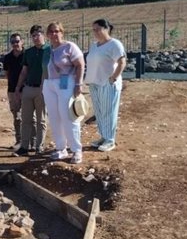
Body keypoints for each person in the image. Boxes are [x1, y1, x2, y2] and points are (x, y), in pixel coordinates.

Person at [43, 22, 85, 164]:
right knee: (54, 117)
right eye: (51, 32)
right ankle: (61, 148)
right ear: (48, 35)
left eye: (57, 31)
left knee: (68, 116)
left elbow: (80, 64)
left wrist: (79, 83)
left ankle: (76, 149)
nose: (54, 34)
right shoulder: (49, 49)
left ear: (62, 32)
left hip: (66, 82)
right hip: (50, 84)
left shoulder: (69, 46)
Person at [85, 18, 126, 152]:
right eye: (94, 30)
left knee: (109, 111)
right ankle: (103, 136)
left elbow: (122, 62)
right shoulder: (94, 45)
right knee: (99, 112)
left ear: (106, 29)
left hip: (107, 83)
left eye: (98, 29)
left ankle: (110, 140)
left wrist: (113, 78)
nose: (95, 32)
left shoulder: (114, 44)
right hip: (94, 82)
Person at [14, 25, 50, 155]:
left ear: (43, 35)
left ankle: (39, 147)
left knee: (41, 120)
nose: (35, 38)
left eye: (38, 35)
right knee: (26, 119)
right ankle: (24, 146)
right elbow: (24, 71)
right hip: (28, 88)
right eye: (33, 36)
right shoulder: (28, 52)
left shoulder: (50, 50)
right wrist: (18, 88)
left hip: (43, 89)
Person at [2, 33, 25, 149]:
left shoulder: (27, 55)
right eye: (13, 42)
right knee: (17, 116)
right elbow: (6, 74)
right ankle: (19, 140)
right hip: (12, 90)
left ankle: (31, 141)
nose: (15, 44)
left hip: (26, 89)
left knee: (30, 117)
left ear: (22, 41)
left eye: (17, 41)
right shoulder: (7, 58)